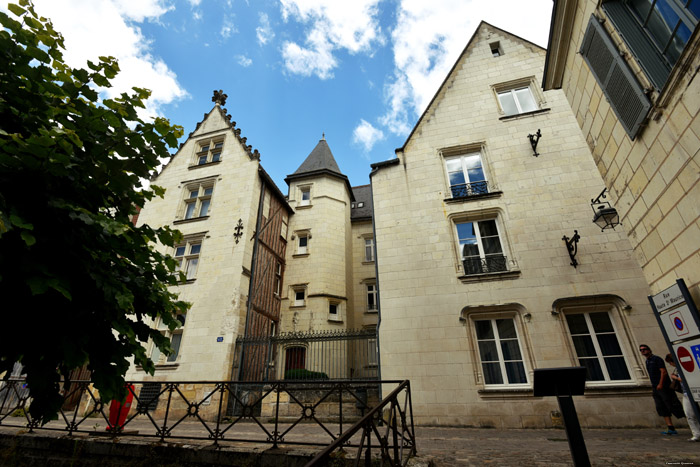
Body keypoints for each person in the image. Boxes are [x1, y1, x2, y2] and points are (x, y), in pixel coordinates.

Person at [639, 344, 685, 435]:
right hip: (655, 387)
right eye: (641, 350)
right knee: (661, 406)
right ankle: (670, 427)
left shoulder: (657, 359)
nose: (643, 351)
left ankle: (693, 420)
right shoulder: (648, 361)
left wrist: (660, 384)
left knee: (672, 404)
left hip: (663, 386)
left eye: (644, 349)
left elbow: (663, 372)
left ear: (649, 350)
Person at [666, 353, 700, 441]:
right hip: (685, 393)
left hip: (694, 391)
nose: (670, 365)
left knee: (695, 413)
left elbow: (686, 379)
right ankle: (696, 434)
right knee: (689, 414)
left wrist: (675, 378)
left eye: (670, 362)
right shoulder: (677, 369)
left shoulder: (684, 367)